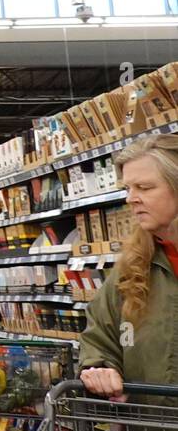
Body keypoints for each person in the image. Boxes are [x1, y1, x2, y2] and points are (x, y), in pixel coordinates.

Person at [79, 134, 178, 405]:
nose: (131, 199)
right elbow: (100, 335)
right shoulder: (132, 268)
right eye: (128, 189)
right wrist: (100, 368)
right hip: (152, 426)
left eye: (144, 188)